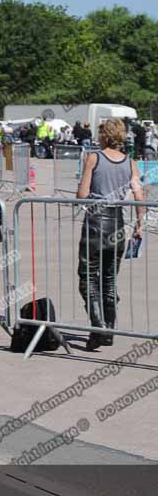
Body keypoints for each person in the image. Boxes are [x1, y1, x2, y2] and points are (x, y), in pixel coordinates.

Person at [76, 119, 145, 350]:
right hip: (117, 224)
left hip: (95, 223)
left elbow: (83, 193)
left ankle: (99, 328)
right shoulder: (131, 163)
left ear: (103, 135)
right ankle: (110, 329)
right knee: (109, 279)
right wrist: (139, 224)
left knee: (88, 278)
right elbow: (138, 195)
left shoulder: (94, 157)